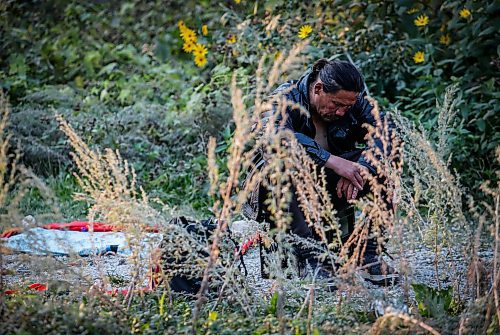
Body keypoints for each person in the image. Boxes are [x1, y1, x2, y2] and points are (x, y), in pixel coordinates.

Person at [242, 58, 399, 286]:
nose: (342, 112)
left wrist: (363, 168)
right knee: (281, 163)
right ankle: (312, 260)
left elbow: (389, 134)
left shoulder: (354, 103)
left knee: (383, 164)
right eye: (336, 104)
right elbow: (275, 138)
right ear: (318, 89)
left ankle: (367, 255)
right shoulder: (284, 98)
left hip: (325, 186)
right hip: (278, 194)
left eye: (347, 106)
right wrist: (333, 161)